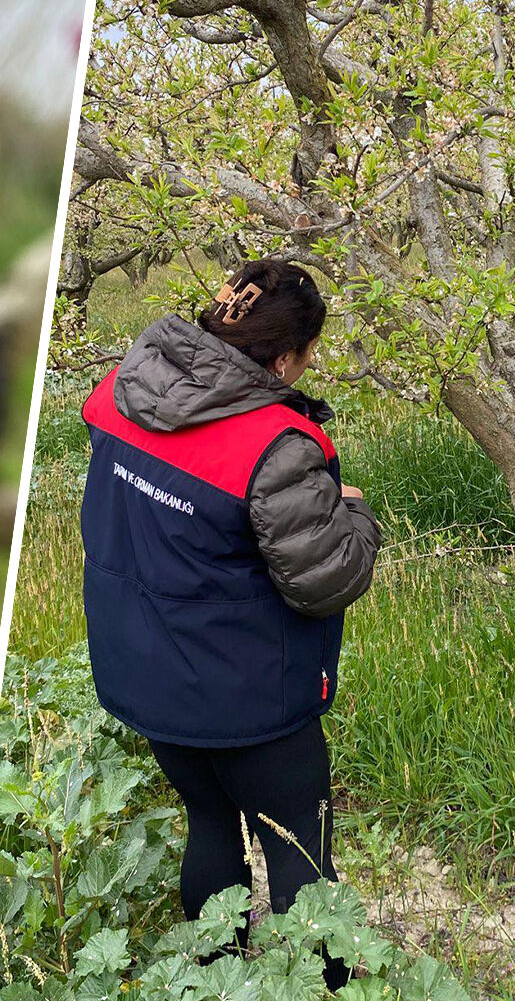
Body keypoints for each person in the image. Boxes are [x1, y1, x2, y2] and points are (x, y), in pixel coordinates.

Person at [80, 259, 381, 990]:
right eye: (305, 356)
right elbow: (328, 580)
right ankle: (329, 986)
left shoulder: (126, 389)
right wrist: (355, 512)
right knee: (301, 857)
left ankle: (215, 981)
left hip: (146, 678)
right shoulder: (271, 445)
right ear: (284, 358)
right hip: (251, 702)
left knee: (210, 825)